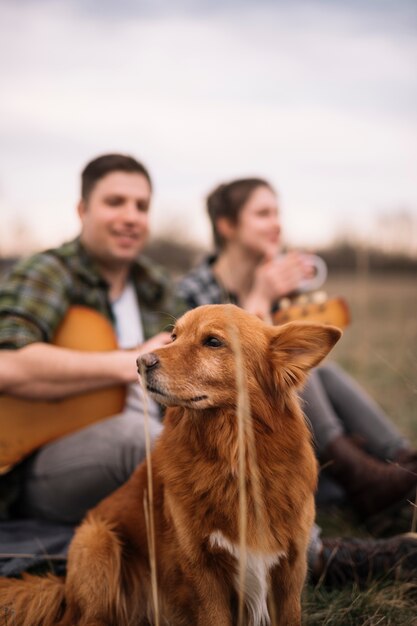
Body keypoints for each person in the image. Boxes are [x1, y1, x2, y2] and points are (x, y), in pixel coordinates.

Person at [177, 176, 417, 584]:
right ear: (227, 226)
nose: (276, 224)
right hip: (229, 445)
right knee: (304, 369)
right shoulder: (191, 292)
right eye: (263, 213)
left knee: (316, 366)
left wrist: (286, 293)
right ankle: (362, 475)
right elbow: (248, 367)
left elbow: (306, 345)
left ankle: (401, 463)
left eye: (278, 213)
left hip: (278, 434)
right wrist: (258, 297)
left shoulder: (284, 280)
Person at [0, 153, 186, 526]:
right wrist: (132, 360)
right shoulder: (49, 271)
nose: (131, 216)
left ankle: (296, 549)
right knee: (147, 441)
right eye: (115, 202)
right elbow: (8, 363)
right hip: (44, 467)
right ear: (83, 209)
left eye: (142, 206)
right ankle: (312, 558)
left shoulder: (156, 284)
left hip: (158, 443)